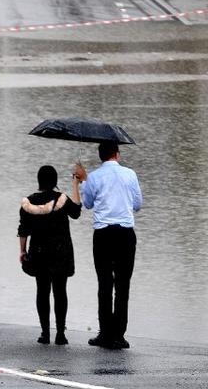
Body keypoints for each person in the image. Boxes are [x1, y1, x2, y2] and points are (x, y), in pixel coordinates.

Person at [74, 141, 142, 349]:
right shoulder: (130, 174)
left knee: (104, 283)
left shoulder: (94, 177)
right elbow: (138, 205)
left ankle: (105, 333)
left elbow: (87, 204)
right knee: (123, 285)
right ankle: (119, 335)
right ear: (117, 154)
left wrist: (84, 181)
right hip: (125, 234)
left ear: (100, 156)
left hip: (103, 234)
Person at [18, 165, 82, 345]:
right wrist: (75, 184)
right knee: (60, 292)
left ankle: (45, 333)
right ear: (55, 182)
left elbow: (23, 230)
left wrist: (22, 251)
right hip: (60, 253)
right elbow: (76, 212)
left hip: (39, 253)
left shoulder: (28, 203)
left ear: (39, 181)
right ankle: (60, 334)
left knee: (42, 291)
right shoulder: (61, 199)